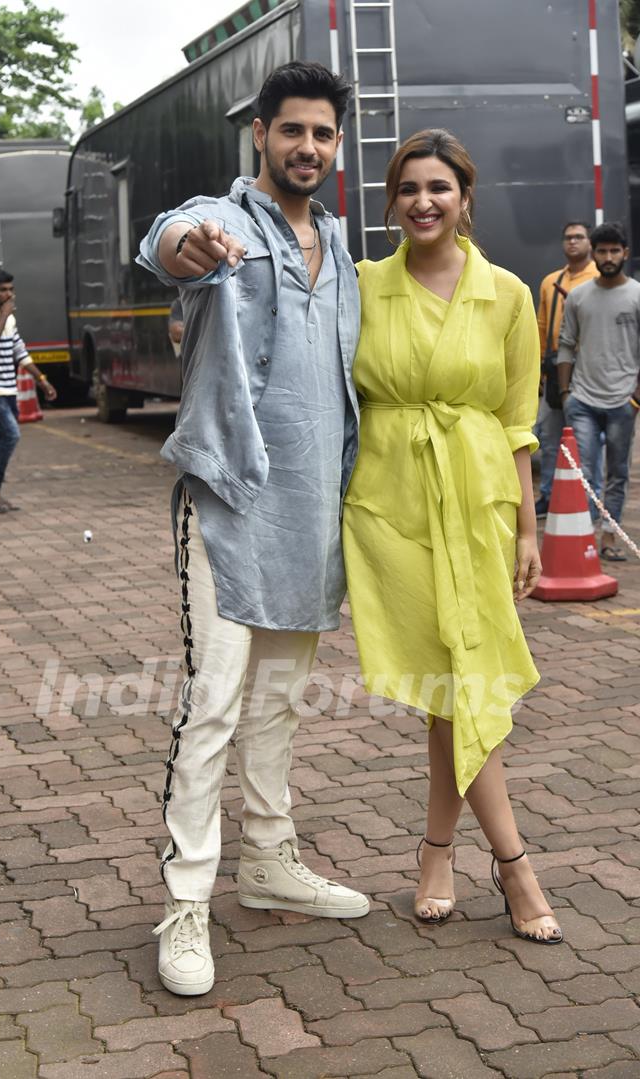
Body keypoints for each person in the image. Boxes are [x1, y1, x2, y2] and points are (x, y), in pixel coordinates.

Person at [136, 61, 368, 998]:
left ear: (337, 146)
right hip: (231, 509)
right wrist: (182, 241)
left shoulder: (345, 248)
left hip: (313, 514)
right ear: (260, 137)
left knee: (278, 707)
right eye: (291, 131)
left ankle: (270, 859)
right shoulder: (225, 222)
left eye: (323, 134)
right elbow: (168, 241)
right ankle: (185, 899)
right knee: (214, 704)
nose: (307, 147)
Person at [343, 129, 563, 944]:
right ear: (391, 200)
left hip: (476, 503)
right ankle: (514, 865)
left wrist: (528, 527)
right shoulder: (364, 285)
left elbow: (518, 420)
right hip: (389, 509)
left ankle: (443, 853)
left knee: (457, 686)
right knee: (451, 684)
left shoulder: (506, 294)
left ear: (466, 199)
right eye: (408, 188)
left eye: (440, 187)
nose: (423, 202)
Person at [557, 221, 640, 561]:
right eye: (602, 250)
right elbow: (565, 345)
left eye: (614, 251)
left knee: (617, 473)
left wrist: (636, 396)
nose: (607, 257)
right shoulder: (578, 296)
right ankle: (584, 538)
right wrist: (565, 394)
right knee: (583, 473)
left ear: (625, 254)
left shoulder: (636, 294)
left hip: (623, 401)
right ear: (594, 252)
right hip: (583, 400)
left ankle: (608, 537)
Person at [0, 269, 57, 513]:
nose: (8, 294)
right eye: (2, 290)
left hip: (9, 389)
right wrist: (4, 314)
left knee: (1, 441)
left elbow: (20, 352)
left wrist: (42, 380)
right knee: (12, 434)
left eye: (11, 289)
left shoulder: (9, 319)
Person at [535, 222, 599, 517]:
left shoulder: (600, 278)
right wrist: (537, 370)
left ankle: (589, 503)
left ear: (589, 242)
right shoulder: (551, 281)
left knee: (588, 443)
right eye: (568, 237)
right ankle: (548, 495)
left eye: (579, 237)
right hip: (553, 369)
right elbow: (542, 326)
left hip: (588, 371)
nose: (573, 242)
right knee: (548, 439)